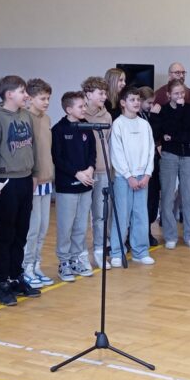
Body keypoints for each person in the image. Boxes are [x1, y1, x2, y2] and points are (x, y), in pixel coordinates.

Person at [0, 75, 39, 306]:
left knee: (21, 232)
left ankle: (16, 276)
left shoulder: (26, 115)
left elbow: (32, 146)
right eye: (22, 91)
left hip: (25, 179)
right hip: (5, 182)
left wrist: (34, 173)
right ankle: (1, 282)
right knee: (4, 234)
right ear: (9, 95)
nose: (26, 95)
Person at [51, 91, 97, 281]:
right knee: (66, 226)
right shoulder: (58, 130)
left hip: (85, 185)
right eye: (81, 106)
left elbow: (92, 152)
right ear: (69, 109)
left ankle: (77, 258)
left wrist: (90, 169)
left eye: (85, 105)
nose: (84, 109)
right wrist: (76, 173)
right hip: (67, 186)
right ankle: (64, 262)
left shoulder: (86, 126)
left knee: (80, 225)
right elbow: (58, 158)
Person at [153, 79, 190, 250]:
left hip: (188, 154)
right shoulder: (163, 110)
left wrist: (173, 136)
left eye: (182, 93)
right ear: (169, 95)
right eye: (176, 93)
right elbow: (163, 130)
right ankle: (170, 235)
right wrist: (173, 134)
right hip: (169, 155)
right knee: (167, 196)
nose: (180, 96)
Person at [109, 86, 156, 266]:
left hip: (142, 177)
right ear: (123, 103)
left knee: (141, 215)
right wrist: (128, 176)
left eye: (138, 99)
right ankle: (117, 252)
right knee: (121, 216)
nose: (136, 103)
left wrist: (147, 174)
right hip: (124, 178)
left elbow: (150, 150)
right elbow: (117, 153)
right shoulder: (118, 124)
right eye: (132, 100)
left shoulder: (144, 124)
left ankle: (140, 251)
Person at [22, 78, 55, 289]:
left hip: (47, 179)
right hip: (32, 181)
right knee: (32, 229)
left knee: (43, 228)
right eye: (42, 98)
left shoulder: (47, 119)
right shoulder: (25, 119)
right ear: (30, 98)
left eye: (48, 98)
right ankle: (25, 267)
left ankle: (36, 264)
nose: (46, 102)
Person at [81, 76, 113, 268]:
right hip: (83, 172)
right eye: (100, 93)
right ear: (88, 94)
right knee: (81, 216)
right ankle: (81, 254)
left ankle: (100, 251)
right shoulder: (80, 114)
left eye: (105, 93)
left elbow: (107, 142)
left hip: (102, 170)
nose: (104, 96)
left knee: (100, 215)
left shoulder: (107, 116)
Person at [139, 86, 161, 246]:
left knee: (153, 200)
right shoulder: (139, 118)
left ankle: (147, 229)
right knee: (144, 201)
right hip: (141, 164)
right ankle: (141, 233)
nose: (151, 106)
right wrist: (154, 116)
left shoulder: (146, 115)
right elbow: (150, 134)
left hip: (153, 163)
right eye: (148, 103)